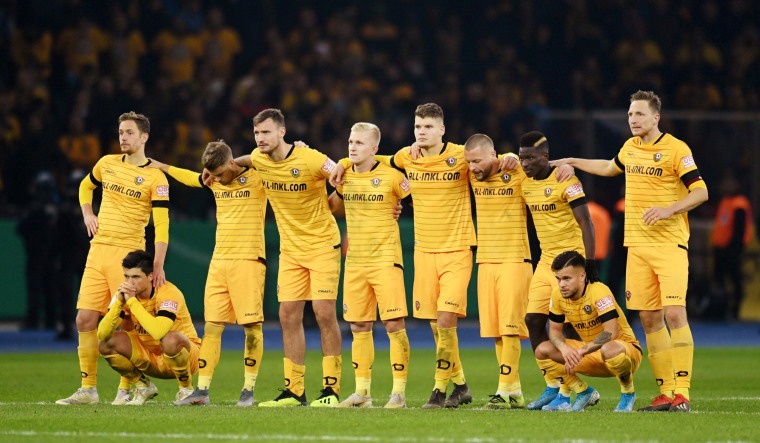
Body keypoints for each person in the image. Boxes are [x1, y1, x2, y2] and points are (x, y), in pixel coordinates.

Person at [551, 90, 709, 412]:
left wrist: (668, 209)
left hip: (669, 245)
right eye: (629, 115)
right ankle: (665, 392)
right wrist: (571, 161)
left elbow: (701, 191)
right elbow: (610, 167)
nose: (632, 120)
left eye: (638, 114)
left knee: (675, 313)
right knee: (650, 319)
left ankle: (683, 392)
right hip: (636, 247)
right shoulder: (630, 148)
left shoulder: (676, 149)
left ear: (656, 118)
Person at [331, 103, 475, 408]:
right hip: (417, 251)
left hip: (453, 248)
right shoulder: (404, 159)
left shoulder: (460, 155)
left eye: (428, 127)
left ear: (442, 130)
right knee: (432, 324)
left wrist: (512, 158)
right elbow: (377, 160)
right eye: (417, 127)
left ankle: (426, 391)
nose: (421, 132)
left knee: (438, 319)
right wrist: (343, 163)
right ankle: (458, 385)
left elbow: (491, 158)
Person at [221, 109, 343, 407]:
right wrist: (215, 172)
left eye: (266, 132)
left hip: (323, 245)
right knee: (288, 315)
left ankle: (331, 390)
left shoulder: (310, 158)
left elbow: (343, 175)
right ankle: (294, 391)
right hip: (290, 250)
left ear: (282, 132)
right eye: (257, 133)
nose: (260, 138)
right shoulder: (258, 158)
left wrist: (334, 202)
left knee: (324, 313)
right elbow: (241, 162)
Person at [57, 111, 170, 405]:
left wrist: (157, 264)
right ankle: (89, 389)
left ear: (144, 137)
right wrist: (88, 213)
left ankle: (126, 388)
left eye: (130, 132)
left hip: (128, 256)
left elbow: (162, 224)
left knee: (126, 324)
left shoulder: (156, 178)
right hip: (98, 251)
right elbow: (85, 185)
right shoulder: (106, 163)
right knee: (84, 318)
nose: (123, 137)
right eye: (121, 131)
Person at [148, 140, 267, 406]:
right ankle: (202, 391)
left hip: (248, 260)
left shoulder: (258, 176)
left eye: (221, 173)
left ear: (233, 163)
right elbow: (191, 179)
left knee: (251, 327)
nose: (217, 180)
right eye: (212, 175)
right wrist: (162, 166)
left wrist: (246, 160)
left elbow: (270, 158)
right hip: (219, 263)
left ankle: (248, 391)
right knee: (212, 328)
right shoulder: (213, 180)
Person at [329, 123, 412, 409]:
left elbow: (420, 197)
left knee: (393, 324)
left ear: (374, 149)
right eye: (350, 141)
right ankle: (362, 393)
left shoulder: (392, 178)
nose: (352, 147)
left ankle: (398, 393)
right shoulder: (345, 175)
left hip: (385, 260)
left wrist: (402, 208)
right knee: (359, 325)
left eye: (360, 143)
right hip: (355, 262)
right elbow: (330, 207)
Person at [517, 131, 598, 410]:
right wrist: (506, 158)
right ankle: (561, 387)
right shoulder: (524, 182)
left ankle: (567, 392)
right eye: (521, 158)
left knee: (563, 326)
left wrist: (589, 263)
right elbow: (498, 162)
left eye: (530, 158)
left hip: (571, 261)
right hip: (546, 261)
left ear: (545, 157)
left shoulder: (566, 181)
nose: (524, 163)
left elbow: (586, 221)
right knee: (532, 321)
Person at [535, 251, 642, 412]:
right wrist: (564, 349)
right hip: (592, 354)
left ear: (582, 276)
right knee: (542, 350)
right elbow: (555, 332)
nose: (561, 284)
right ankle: (583, 391)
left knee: (609, 348)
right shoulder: (558, 295)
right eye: (558, 279)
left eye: (566, 278)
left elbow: (611, 333)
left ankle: (628, 393)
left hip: (625, 352)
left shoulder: (599, 291)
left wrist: (581, 351)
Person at [97, 250, 200, 405]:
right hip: (149, 357)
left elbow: (158, 332)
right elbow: (102, 334)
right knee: (105, 343)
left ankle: (186, 389)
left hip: (185, 357)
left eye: (136, 277)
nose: (130, 282)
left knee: (171, 339)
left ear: (151, 276)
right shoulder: (124, 294)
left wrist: (131, 302)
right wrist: (119, 302)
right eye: (126, 276)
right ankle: (143, 385)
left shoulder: (169, 293)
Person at [711, 174, 754, 320]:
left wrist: (733, 249)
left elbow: (739, 230)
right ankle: (720, 310)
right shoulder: (726, 201)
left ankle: (735, 311)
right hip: (720, 249)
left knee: (735, 281)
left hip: (731, 250)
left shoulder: (739, 204)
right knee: (719, 281)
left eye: (729, 183)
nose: (726, 186)